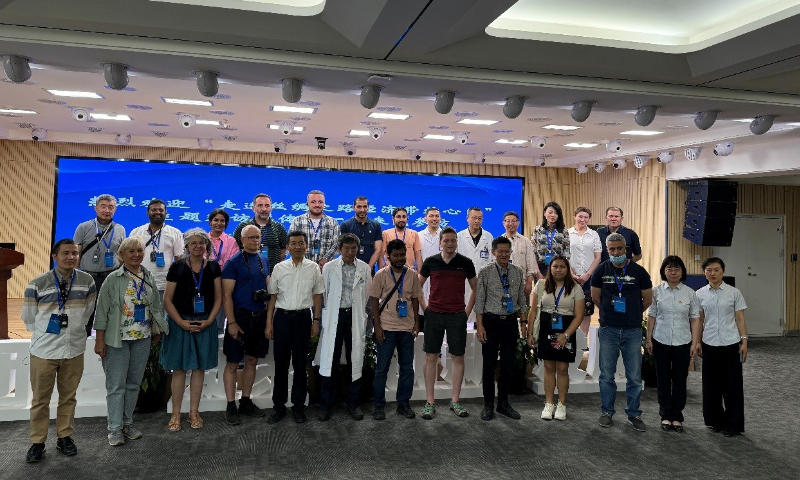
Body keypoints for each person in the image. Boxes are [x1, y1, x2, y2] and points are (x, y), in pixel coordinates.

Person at [22, 239, 97, 463]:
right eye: (65, 253)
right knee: (40, 399)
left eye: (75, 253)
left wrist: (71, 331)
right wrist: (48, 333)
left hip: (73, 349)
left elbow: (87, 312)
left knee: (68, 397)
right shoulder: (38, 283)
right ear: (55, 256)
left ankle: (64, 437)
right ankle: (37, 442)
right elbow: (28, 319)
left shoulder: (87, 281)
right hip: (44, 351)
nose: (71, 257)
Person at [94, 236, 169, 446]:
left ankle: (127, 424)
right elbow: (101, 312)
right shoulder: (113, 279)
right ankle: (114, 429)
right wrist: (99, 340)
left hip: (142, 338)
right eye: (131, 251)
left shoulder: (148, 276)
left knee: (134, 384)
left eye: (139, 251)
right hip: (116, 339)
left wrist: (157, 329)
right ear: (122, 255)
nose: (136, 255)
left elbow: (154, 306)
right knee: (116, 386)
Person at [160, 228, 223, 432]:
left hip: (205, 323)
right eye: (193, 243)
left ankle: (194, 412)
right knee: (179, 370)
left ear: (207, 245)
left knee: (199, 369)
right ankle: (176, 413)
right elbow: (167, 300)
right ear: (186, 246)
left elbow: (219, 297)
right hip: (181, 324)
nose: (197, 246)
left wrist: (209, 321)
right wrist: (180, 322)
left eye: (201, 242)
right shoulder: (177, 267)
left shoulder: (213, 267)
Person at [591, 233, 652, 432]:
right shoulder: (601, 270)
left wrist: (633, 314)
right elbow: (596, 297)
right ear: (607, 250)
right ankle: (607, 411)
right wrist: (610, 315)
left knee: (634, 376)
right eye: (612, 250)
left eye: (620, 249)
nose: (616, 252)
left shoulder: (639, 271)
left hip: (633, 330)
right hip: (608, 329)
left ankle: (634, 413)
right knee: (606, 374)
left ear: (626, 249)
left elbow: (647, 300)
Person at [265, 230, 324, 424]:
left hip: (303, 319)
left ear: (306, 246)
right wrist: (269, 322)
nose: (297, 246)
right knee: (280, 365)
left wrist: (316, 321)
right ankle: (279, 407)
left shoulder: (313, 267)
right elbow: (272, 297)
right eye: (293, 243)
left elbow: (317, 296)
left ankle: (299, 407)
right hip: (282, 318)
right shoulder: (279, 268)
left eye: (301, 243)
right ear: (288, 247)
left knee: (300, 365)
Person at [419, 226, 477, 420]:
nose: (450, 243)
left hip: (456, 315)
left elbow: (475, 289)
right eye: (446, 241)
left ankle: (455, 401)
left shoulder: (465, 263)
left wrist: (466, 312)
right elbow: (417, 287)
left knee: (457, 357)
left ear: (456, 242)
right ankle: (430, 402)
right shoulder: (430, 262)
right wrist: (425, 308)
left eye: (453, 240)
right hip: (434, 314)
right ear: (440, 242)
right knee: (431, 357)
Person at [318, 233, 373, 421]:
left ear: (358, 249)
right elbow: (323, 293)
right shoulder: (329, 268)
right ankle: (326, 404)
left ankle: (353, 403)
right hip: (335, 315)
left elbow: (367, 296)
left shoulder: (364, 268)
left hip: (354, 316)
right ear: (339, 249)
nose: (350, 252)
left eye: (353, 249)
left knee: (354, 359)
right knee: (330, 360)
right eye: (346, 249)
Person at [220, 225, 270, 426]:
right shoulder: (233, 263)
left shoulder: (263, 259)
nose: (255, 241)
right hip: (239, 318)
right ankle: (231, 405)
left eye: (257, 237)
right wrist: (231, 322)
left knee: (251, 361)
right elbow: (226, 296)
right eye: (250, 238)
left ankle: (246, 401)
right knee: (232, 363)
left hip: (259, 317)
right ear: (242, 240)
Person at [645, 255, 701, 432]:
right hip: (660, 340)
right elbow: (651, 316)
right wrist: (649, 339)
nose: (673, 272)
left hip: (683, 341)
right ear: (664, 272)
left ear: (682, 272)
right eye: (669, 269)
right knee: (662, 380)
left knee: (679, 380)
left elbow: (695, 319)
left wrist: (695, 342)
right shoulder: (657, 291)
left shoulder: (690, 293)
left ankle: (677, 416)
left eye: (677, 269)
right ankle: (665, 415)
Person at [475, 236, 528, 421]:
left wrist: (523, 322)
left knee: (507, 366)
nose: (504, 254)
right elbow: (479, 300)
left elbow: (521, 299)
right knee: (489, 365)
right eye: (500, 251)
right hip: (490, 322)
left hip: (510, 323)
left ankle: (503, 403)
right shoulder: (485, 271)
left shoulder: (517, 271)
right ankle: (488, 404)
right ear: (493, 252)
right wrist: (480, 325)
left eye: (507, 251)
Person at [370, 239, 422, 421]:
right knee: (381, 369)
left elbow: (415, 299)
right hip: (386, 328)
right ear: (388, 256)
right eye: (396, 255)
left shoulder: (413, 275)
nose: (400, 258)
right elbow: (374, 302)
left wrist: (416, 322)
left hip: (406, 328)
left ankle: (403, 404)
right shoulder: (381, 275)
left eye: (402, 254)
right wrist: (377, 326)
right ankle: (378, 405)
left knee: (407, 368)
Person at [696, 257, 748, 437]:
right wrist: (697, 342)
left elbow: (740, 318)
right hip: (709, 342)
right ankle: (715, 421)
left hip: (730, 342)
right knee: (711, 385)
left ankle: (733, 424)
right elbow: (700, 320)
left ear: (723, 271)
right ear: (705, 272)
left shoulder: (734, 293)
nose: (713, 273)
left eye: (716, 270)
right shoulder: (700, 294)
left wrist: (744, 341)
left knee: (732, 385)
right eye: (709, 270)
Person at [530, 255, 585, 421]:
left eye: (562, 266)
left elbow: (579, 315)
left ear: (567, 269)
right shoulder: (541, 285)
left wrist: (566, 335)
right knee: (548, 367)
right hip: (546, 327)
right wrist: (530, 333)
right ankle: (548, 404)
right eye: (555, 266)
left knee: (562, 368)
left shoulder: (575, 288)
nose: (558, 269)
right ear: (550, 268)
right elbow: (532, 311)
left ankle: (561, 404)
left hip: (566, 328)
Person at [73, 194, 126, 336]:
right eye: (103, 207)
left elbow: (122, 254)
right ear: (96, 208)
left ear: (115, 210)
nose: (106, 210)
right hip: (88, 276)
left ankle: (107, 342)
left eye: (111, 207)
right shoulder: (84, 227)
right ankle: (82, 342)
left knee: (110, 311)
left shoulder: (120, 229)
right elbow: (76, 252)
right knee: (86, 312)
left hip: (111, 277)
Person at [128, 199, 184, 297]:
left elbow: (179, 260)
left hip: (165, 284)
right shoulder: (136, 232)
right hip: (140, 282)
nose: (157, 212)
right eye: (154, 210)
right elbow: (129, 257)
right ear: (148, 212)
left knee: (163, 312)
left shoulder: (175, 233)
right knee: (140, 311)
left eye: (161, 210)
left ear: (166, 212)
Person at [231, 193, 287, 275]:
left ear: (271, 208)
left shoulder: (279, 228)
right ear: (253, 208)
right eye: (260, 205)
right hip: (248, 273)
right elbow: (236, 249)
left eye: (267, 206)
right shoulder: (243, 227)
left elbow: (283, 250)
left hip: (273, 274)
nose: (264, 209)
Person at [567, 206, 602, 334]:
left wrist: (587, 275)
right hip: (570, 277)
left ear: (589, 219)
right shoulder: (567, 233)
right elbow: (564, 257)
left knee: (587, 310)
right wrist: (572, 274)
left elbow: (597, 257)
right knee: (570, 309)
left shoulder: (594, 235)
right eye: (580, 216)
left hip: (589, 278)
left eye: (586, 217)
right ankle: (570, 339)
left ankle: (582, 341)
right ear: (574, 217)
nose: (583, 219)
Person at [457, 207, 493, 324]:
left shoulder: (488, 237)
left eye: (479, 218)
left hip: (484, 283)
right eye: (474, 218)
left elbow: (492, 262)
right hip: (464, 283)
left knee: (483, 319)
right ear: (467, 219)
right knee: (465, 317)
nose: (477, 221)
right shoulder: (459, 237)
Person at [207, 208, 240, 333]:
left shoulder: (231, 241)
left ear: (226, 223)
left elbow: (233, 262)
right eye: (216, 220)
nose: (219, 223)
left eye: (222, 221)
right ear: (210, 222)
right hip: (206, 281)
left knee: (220, 319)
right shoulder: (203, 239)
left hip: (224, 281)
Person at [289, 190, 339, 269]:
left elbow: (337, 244)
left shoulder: (333, 222)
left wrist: (326, 259)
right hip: (302, 267)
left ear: (324, 204)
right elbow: (291, 244)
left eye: (320, 202)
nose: (317, 205)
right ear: (307, 203)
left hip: (326, 268)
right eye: (313, 202)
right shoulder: (297, 221)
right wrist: (304, 261)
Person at [339, 196, 383, 272]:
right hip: (349, 269)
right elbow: (342, 249)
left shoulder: (376, 225)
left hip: (369, 270)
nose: (362, 210)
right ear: (353, 207)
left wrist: (368, 268)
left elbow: (378, 250)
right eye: (359, 207)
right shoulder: (345, 225)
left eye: (365, 207)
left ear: (368, 207)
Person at [499, 211, 535, 298]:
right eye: (507, 221)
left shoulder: (526, 241)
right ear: (503, 223)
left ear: (518, 223)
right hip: (502, 284)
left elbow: (531, 265)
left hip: (521, 284)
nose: (510, 223)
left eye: (514, 221)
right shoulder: (498, 242)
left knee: (522, 310)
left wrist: (529, 284)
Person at [531, 202, 570, 281]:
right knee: (541, 292)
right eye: (550, 212)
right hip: (540, 267)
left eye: (556, 213)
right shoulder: (537, 230)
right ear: (545, 213)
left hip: (558, 267)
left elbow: (567, 252)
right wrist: (538, 272)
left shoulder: (563, 231)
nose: (553, 215)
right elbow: (533, 252)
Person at [417, 207, 442, 331]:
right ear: (425, 218)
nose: (434, 219)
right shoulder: (419, 236)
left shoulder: (446, 236)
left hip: (441, 280)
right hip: (423, 278)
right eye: (431, 216)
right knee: (422, 313)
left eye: (437, 216)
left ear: (441, 219)